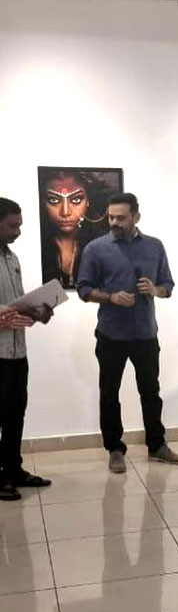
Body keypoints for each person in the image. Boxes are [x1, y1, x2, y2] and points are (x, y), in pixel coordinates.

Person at [77, 192, 178, 473]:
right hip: (111, 334)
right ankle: (115, 448)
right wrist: (111, 298)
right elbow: (84, 290)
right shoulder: (95, 249)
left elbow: (168, 286)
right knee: (109, 392)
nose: (114, 222)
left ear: (136, 217)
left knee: (151, 391)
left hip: (145, 334)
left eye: (120, 217)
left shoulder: (155, 246)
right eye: (111, 217)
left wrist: (155, 290)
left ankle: (157, 444)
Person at [0, 198, 52, 501]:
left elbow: (17, 300)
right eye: (12, 226)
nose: (18, 231)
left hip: (17, 351)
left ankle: (13, 469)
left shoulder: (12, 258)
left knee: (15, 412)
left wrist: (36, 311)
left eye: (20, 225)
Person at [39, 169, 114, 288]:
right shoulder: (36, 246)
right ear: (43, 202)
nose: (65, 212)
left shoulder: (103, 246)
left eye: (76, 200)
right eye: (54, 200)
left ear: (88, 201)